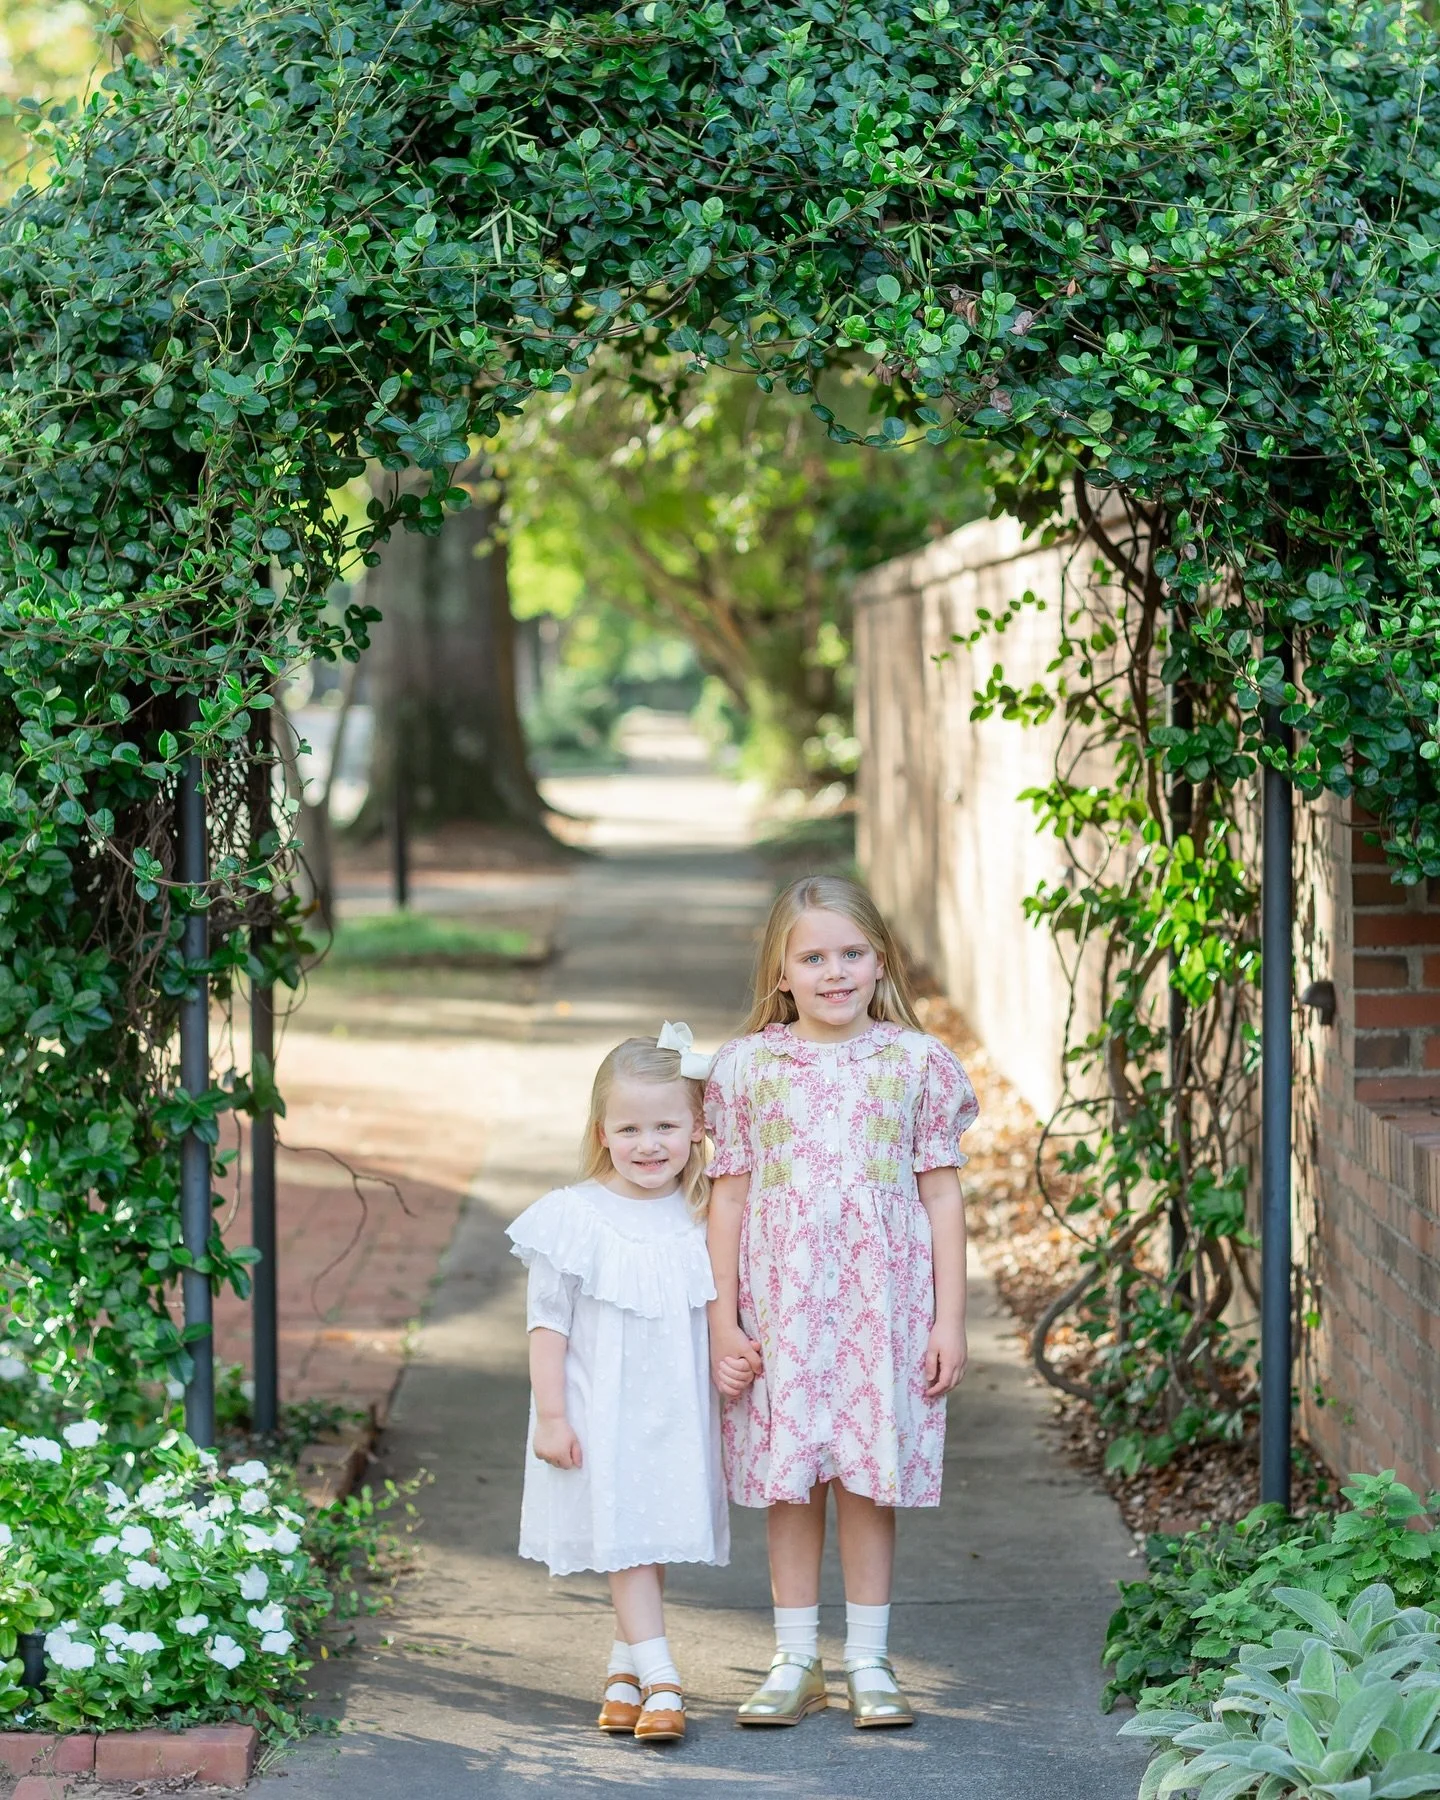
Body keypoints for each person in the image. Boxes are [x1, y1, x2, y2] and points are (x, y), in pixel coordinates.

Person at [705, 874, 978, 1729]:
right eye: (812, 956)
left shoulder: (915, 1063)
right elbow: (728, 1200)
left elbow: (940, 1197)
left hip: (881, 1310)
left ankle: (868, 1660)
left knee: (866, 1479)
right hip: (779, 1308)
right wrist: (722, 1319)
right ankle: (795, 1660)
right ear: (780, 970)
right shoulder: (748, 1067)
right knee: (792, 1485)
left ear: (880, 959)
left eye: (852, 953)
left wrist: (949, 1318)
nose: (834, 972)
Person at [508, 1027, 727, 1745]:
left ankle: (622, 1670)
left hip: (671, 1411)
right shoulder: (573, 1217)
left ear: (698, 1128)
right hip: (598, 1414)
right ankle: (663, 1677)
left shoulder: (702, 1214)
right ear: (602, 1131)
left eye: (666, 1125)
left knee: (647, 1535)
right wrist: (551, 1416)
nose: (649, 1144)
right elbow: (548, 1325)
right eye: (630, 1128)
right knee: (628, 1540)